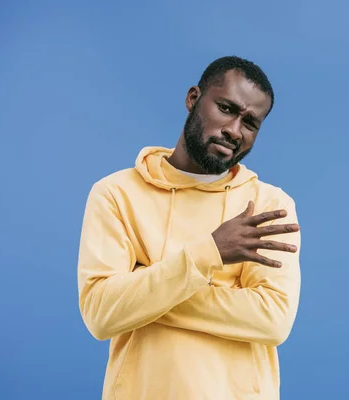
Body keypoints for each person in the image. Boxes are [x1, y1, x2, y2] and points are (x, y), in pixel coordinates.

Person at [77, 56, 302, 400]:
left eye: (251, 123)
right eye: (226, 108)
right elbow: (100, 313)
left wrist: (143, 288)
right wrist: (209, 253)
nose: (234, 130)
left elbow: (273, 320)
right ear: (193, 98)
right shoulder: (116, 194)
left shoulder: (269, 206)